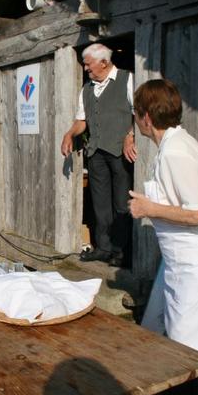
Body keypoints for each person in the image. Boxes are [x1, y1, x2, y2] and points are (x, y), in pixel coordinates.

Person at [128, 79, 198, 395]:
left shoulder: (177, 151)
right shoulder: (177, 145)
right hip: (186, 262)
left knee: (190, 351)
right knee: (180, 341)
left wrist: (148, 208)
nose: (136, 120)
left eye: (136, 114)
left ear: (147, 117)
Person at [61, 43, 134, 266]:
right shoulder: (87, 89)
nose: (85, 68)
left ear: (104, 62)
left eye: (88, 64)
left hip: (120, 152)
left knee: (122, 203)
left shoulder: (127, 79)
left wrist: (130, 136)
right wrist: (69, 134)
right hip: (96, 153)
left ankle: (120, 252)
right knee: (100, 204)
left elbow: (138, 113)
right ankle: (103, 248)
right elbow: (82, 120)